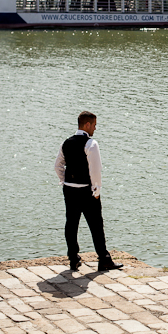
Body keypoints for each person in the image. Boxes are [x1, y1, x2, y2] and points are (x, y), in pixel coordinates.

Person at [53, 111, 124, 273]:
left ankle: (73, 258)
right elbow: (96, 171)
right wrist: (96, 190)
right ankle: (104, 259)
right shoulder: (91, 144)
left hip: (69, 191)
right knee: (96, 225)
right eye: (94, 125)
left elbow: (58, 166)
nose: (95, 128)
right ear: (87, 125)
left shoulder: (66, 142)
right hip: (86, 191)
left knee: (71, 224)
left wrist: (66, 181)